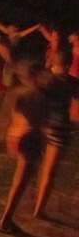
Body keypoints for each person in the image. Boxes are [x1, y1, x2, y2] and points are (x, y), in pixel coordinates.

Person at [0, 61, 47, 232]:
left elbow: (5, 116)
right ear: (35, 76)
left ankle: (9, 217)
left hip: (15, 137)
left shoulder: (17, 93)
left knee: (23, 177)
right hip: (29, 138)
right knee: (21, 180)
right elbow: (41, 119)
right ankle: (6, 219)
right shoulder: (37, 95)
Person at [33, 51, 78, 220]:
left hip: (40, 125)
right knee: (49, 171)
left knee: (39, 165)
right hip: (59, 127)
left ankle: (36, 199)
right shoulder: (72, 82)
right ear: (69, 64)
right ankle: (39, 209)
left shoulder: (45, 80)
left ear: (53, 62)